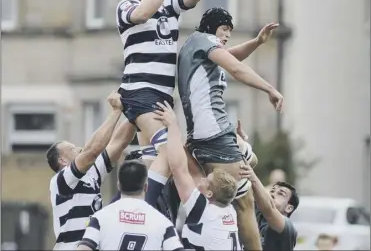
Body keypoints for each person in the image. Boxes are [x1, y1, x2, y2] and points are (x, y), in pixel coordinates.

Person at [176, 7, 283, 250]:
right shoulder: (206, 41)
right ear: (212, 27)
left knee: (244, 162)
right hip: (216, 134)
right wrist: (270, 89)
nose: (226, 36)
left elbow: (232, 58)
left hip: (203, 135)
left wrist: (256, 42)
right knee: (244, 202)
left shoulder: (195, 46)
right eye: (224, 29)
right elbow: (236, 68)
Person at [116, 0, 203, 207]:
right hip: (141, 90)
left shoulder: (168, 3)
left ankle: (133, 206)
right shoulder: (127, 4)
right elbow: (142, 14)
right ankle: (145, 207)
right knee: (169, 150)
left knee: (151, 158)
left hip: (162, 94)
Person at [47, 92, 136, 250]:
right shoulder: (61, 180)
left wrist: (136, 112)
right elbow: (92, 151)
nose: (79, 148)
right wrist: (116, 111)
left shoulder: (92, 173)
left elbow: (118, 142)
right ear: (63, 160)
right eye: (72, 148)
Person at [155, 101, 249, 250]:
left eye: (207, 180)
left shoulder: (203, 209)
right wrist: (184, 149)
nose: (203, 178)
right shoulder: (228, 210)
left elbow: (178, 169)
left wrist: (173, 126)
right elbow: (195, 173)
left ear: (210, 193)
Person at [76, 160, 184, 251]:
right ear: (146, 187)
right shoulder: (163, 223)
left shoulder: (100, 218)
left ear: (118, 185)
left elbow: (84, 248)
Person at [245, 165, 299, 251]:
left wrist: (253, 178)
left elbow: (269, 208)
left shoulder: (287, 227)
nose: (272, 194)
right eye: (272, 191)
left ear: (289, 208)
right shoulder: (257, 214)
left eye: (281, 194)